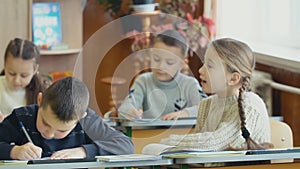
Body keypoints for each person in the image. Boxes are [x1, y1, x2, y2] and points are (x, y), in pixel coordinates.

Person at [160, 38, 272, 151]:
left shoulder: (250, 104)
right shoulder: (206, 105)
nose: (200, 70)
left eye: (210, 66)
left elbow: (214, 142)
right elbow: (197, 155)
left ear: (233, 78)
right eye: (204, 63)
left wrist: (166, 143)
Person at [0, 77, 134, 160]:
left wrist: (83, 151)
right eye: (45, 122)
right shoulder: (22, 117)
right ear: (40, 100)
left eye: (61, 130)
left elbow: (125, 145)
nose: (49, 134)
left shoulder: (86, 122)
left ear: (81, 118)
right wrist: (13, 151)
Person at [118, 29, 207, 120]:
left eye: (169, 62)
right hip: (149, 133)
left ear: (181, 64)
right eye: (156, 59)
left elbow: (207, 108)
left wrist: (185, 113)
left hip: (181, 132)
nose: (161, 66)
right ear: (151, 56)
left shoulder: (190, 84)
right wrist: (130, 112)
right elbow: (125, 108)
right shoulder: (143, 81)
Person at [0, 38, 46, 122]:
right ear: (5, 65)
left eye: (24, 75)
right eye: (11, 73)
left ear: (35, 70)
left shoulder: (41, 92)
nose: (16, 80)